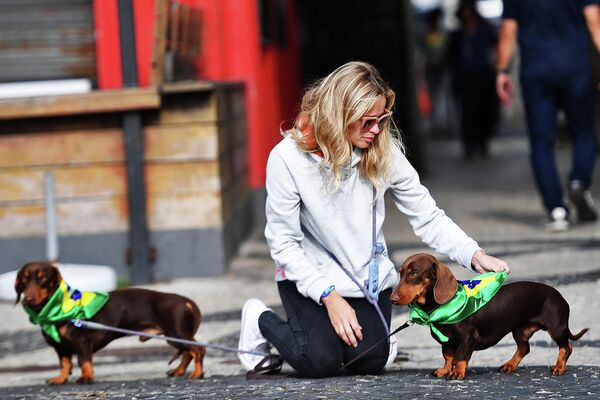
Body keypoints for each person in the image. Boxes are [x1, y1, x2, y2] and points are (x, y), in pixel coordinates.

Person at [237, 61, 510, 378]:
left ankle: (376, 344)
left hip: (365, 278)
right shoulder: (287, 159)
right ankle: (259, 319)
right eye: (368, 122)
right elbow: (283, 243)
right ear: (339, 118)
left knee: (367, 361)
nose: (377, 130)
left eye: (382, 119)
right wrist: (328, 296)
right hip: (311, 276)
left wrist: (473, 253)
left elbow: (427, 215)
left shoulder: (383, 149)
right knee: (318, 360)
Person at [496, 0, 600, 231]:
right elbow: (595, 22)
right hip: (575, 69)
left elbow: (508, 31)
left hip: (536, 72)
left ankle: (556, 210)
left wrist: (502, 71)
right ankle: (578, 182)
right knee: (584, 131)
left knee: (541, 142)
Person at [448, 0, 499, 159]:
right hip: (465, 79)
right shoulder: (458, 33)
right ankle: (470, 144)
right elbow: (450, 56)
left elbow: (496, 46)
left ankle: (482, 142)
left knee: (484, 110)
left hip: (483, 77)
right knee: (467, 113)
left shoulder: (485, 29)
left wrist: (496, 66)